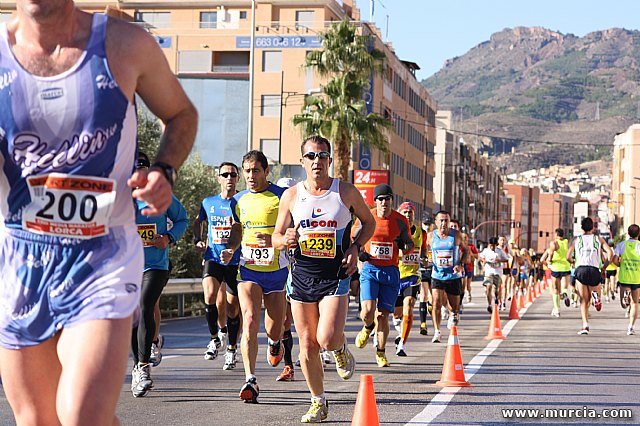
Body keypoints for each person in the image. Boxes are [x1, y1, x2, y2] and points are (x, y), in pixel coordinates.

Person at [0, 2, 197, 424]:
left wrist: (164, 170)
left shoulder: (124, 44)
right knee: (37, 420)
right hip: (19, 263)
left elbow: (182, 113)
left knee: (81, 414)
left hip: (102, 259)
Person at [272, 135, 375, 423]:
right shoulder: (291, 196)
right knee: (307, 343)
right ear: (302, 161)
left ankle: (340, 348)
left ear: (329, 160)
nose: (317, 161)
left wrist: (355, 247)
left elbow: (370, 222)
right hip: (302, 276)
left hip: (336, 276)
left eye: (323, 156)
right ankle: (318, 401)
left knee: (326, 338)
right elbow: (276, 236)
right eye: (311, 156)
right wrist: (285, 238)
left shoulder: (345, 192)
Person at [222, 150, 288, 403]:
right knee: (249, 319)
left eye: (255, 170)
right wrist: (231, 247)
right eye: (247, 171)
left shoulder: (282, 197)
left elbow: (293, 229)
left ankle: (275, 343)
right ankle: (250, 379)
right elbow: (237, 230)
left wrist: (274, 240)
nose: (250, 176)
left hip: (276, 271)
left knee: (275, 327)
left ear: (266, 171)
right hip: (248, 269)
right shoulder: (237, 200)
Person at [132, 152, 188, 397]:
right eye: (134, 167)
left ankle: (143, 367)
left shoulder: (161, 196)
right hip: (127, 267)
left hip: (155, 266)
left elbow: (182, 219)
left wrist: (168, 238)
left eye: (143, 166)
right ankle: (137, 366)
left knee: (145, 306)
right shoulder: (119, 197)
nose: (139, 171)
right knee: (133, 316)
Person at [354, 184, 414, 367]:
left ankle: (380, 353)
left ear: (391, 201)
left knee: (383, 316)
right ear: (375, 201)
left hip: (391, 272)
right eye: (381, 199)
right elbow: (353, 239)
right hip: (370, 269)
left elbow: (410, 244)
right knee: (367, 311)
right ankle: (367, 326)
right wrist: (360, 253)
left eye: (387, 199)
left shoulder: (400, 220)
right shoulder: (366, 216)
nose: (384, 202)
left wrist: (403, 245)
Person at [194, 162, 242, 369]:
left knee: (232, 309)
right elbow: (198, 221)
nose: (229, 178)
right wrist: (198, 239)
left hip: (235, 260)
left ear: (238, 178)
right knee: (210, 295)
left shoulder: (242, 202)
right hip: (213, 256)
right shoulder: (209, 202)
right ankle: (214, 338)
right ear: (219, 179)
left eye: (233, 174)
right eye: (225, 175)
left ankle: (231, 349)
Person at [427, 211, 470, 343]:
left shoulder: (456, 235)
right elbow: (426, 251)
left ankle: (453, 315)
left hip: (453, 275)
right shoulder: (430, 236)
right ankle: (437, 331)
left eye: (446, 220)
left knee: (454, 307)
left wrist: (461, 264)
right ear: (436, 222)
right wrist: (427, 260)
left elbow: (466, 250)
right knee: (436, 303)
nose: (444, 223)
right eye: (441, 220)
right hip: (437, 274)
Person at [566, 217, 613, 335]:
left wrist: (573, 262)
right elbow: (610, 253)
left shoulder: (576, 239)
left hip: (580, 269)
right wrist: (604, 266)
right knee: (593, 295)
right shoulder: (598, 239)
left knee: (583, 300)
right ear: (593, 227)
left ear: (582, 228)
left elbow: (567, 256)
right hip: (594, 269)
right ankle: (596, 297)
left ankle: (585, 325)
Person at [393, 202, 427, 357]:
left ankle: (402, 344)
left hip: (412, 277)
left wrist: (425, 258)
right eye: (405, 212)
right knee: (396, 313)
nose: (408, 215)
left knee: (409, 306)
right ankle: (399, 329)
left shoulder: (421, 233)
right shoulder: (394, 231)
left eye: (410, 212)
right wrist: (401, 254)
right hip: (395, 276)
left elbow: (424, 249)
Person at [275, 176, 296, 382]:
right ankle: (288, 366)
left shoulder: (302, 214)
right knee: (285, 322)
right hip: (281, 273)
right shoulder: (276, 218)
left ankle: (322, 350)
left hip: (302, 274)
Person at [612, 224, 640, 335]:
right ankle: (631, 327)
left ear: (628, 233)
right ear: (639, 234)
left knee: (624, 305)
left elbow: (614, 259)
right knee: (635, 303)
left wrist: (619, 264)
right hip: (637, 278)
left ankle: (626, 296)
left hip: (624, 278)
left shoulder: (622, 245)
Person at [541, 228, 572, 317]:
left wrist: (549, 260)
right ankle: (565, 293)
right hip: (565, 266)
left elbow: (551, 251)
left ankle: (557, 309)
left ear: (556, 234)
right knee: (564, 287)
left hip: (555, 267)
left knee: (555, 289)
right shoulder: (567, 242)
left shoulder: (554, 242)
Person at [479, 237, 508, 313]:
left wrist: (499, 260)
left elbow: (506, 259)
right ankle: (489, 305)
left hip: (497, 272)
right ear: (489, 244)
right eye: (492, 246)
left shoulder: (500, 251)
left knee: (496, 289)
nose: (493, 247)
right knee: (488, 287)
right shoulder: (486, 251)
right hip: (489, 272)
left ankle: (496, 298)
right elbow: (480, 257)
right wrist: (483, 260)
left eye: (494, 246)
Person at [418, 218, 435, 335]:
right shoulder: (420, 235)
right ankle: (423, 324)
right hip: (423, 269)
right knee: (423, 295)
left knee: (432, 297)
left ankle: (430, 305)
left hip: (434, 269)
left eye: (429, 224)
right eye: (425, 224)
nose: (427, 227)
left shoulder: (436, 236)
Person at [462, 232, 478, 304]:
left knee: (468, 284)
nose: (464, 239)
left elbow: (477, 256)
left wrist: (471, 254)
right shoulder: (459, 246)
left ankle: (468, 292)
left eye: (466, 237)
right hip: (462, 266)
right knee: (463, 283)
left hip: (469, 267)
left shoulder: (471, 246)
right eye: (463, 237)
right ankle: (461, 298)